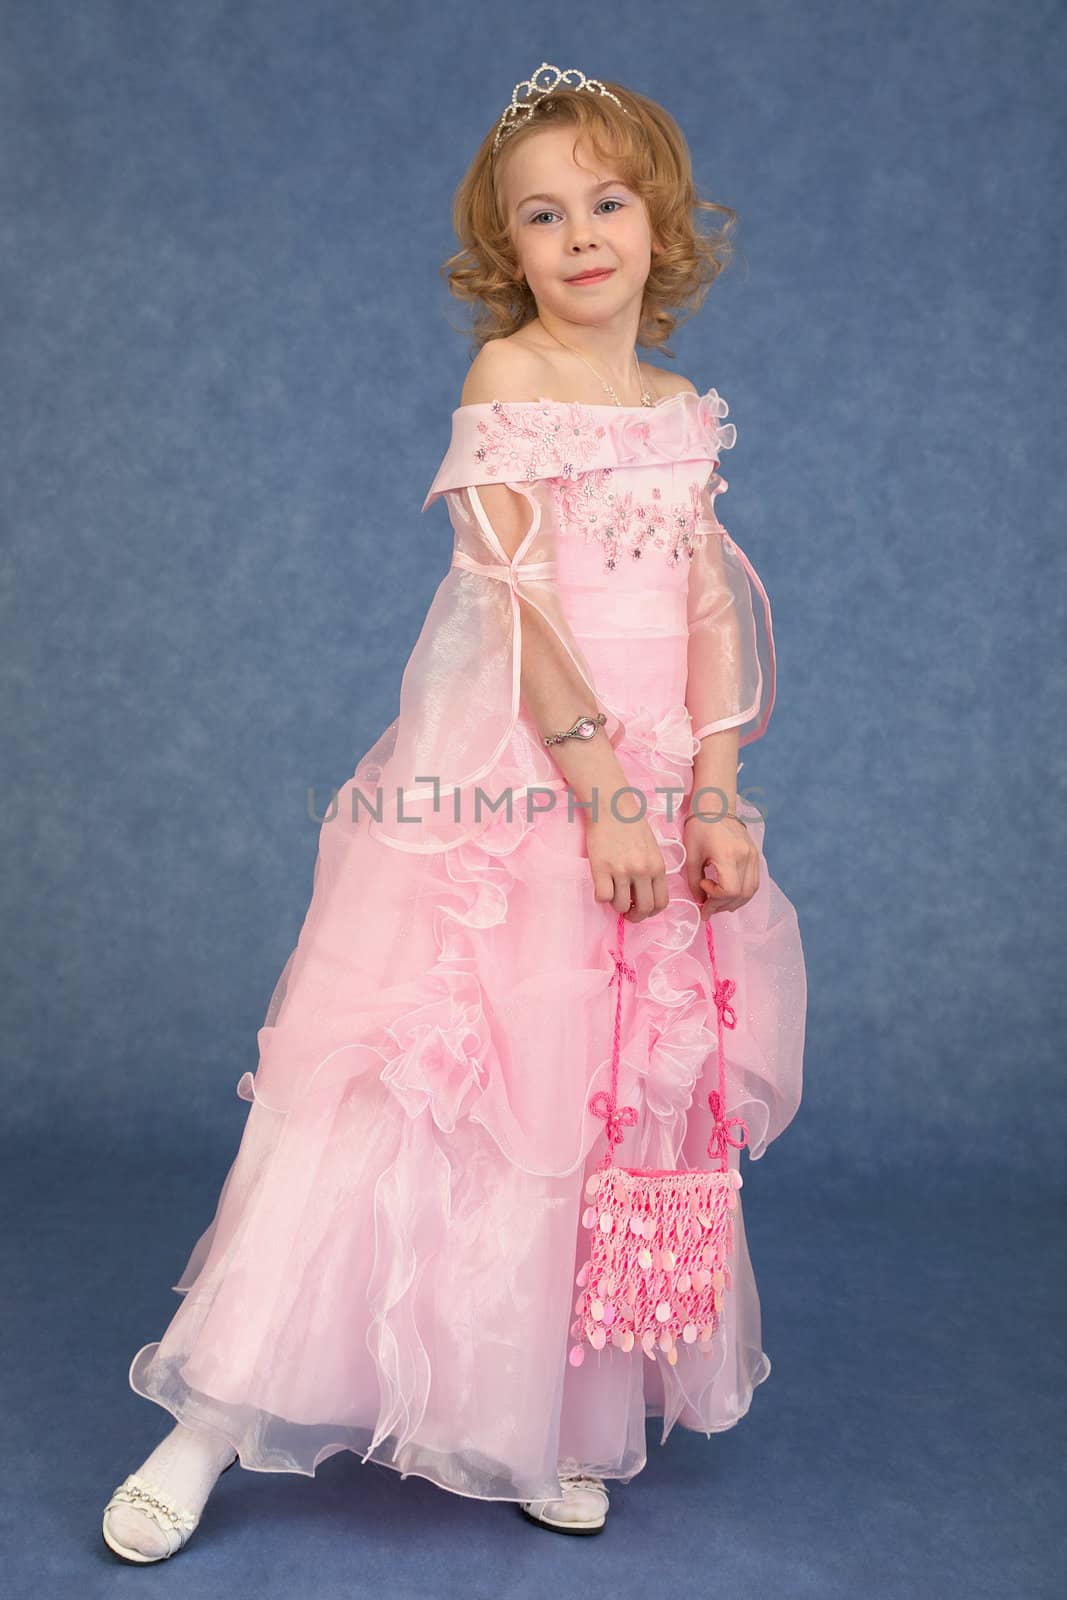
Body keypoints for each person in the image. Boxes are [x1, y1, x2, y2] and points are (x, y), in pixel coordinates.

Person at [101, 61, 806, 1558]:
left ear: (661, 222)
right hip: (516, 781)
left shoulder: (680, 410)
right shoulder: (512, 381)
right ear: (509, 253)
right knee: (416, 1077)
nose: (581, 236)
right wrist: (603, 787)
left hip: (653, 782)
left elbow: (707, 609)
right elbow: (520, 599)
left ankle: (534, 1411)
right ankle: (213, 1418)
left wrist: (717, 794)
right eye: (543, 217)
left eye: (607, 201)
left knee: (584, 1100)